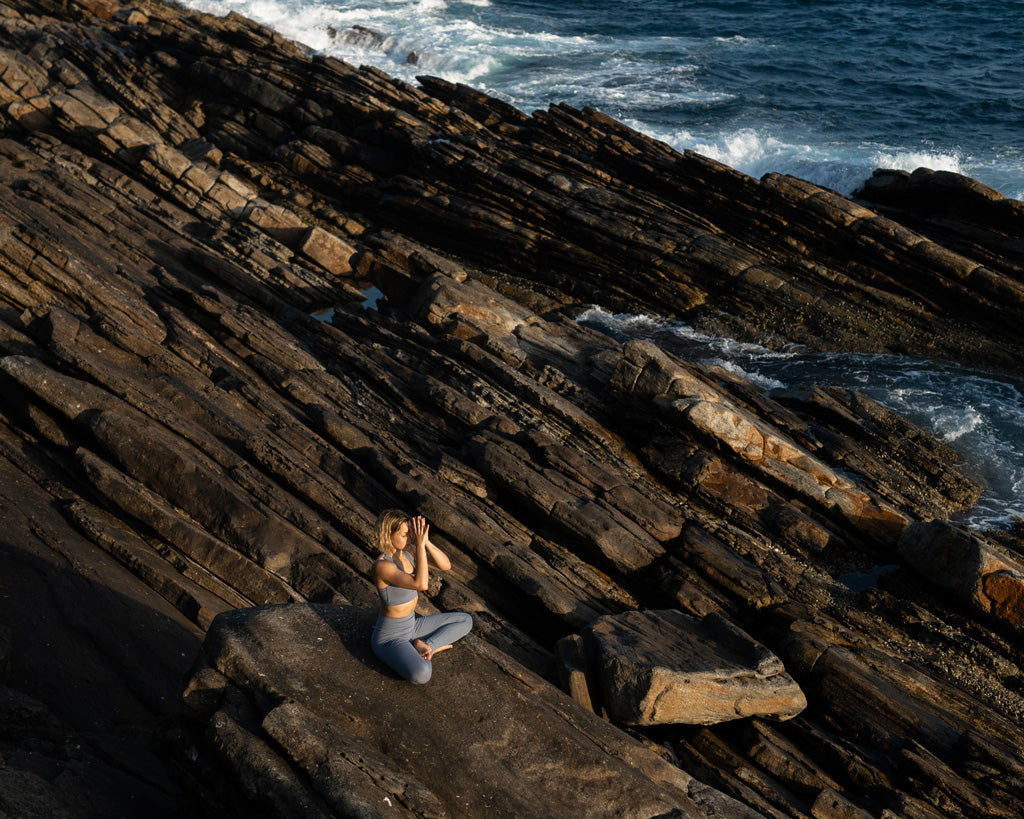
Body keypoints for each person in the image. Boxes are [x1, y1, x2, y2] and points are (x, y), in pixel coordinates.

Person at [370, 509, 473, 684]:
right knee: (422, 674)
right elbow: (421, 584)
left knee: (465, 620)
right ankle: (423, 649)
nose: (410, 538)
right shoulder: (382, 566)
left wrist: (425, 543)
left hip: (412, 626)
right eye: (405, 535)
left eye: (410, 534)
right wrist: (418, 546)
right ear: (388, 535)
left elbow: (445, 565)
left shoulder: (408, 552)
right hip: (390, 637)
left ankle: (426, 646)